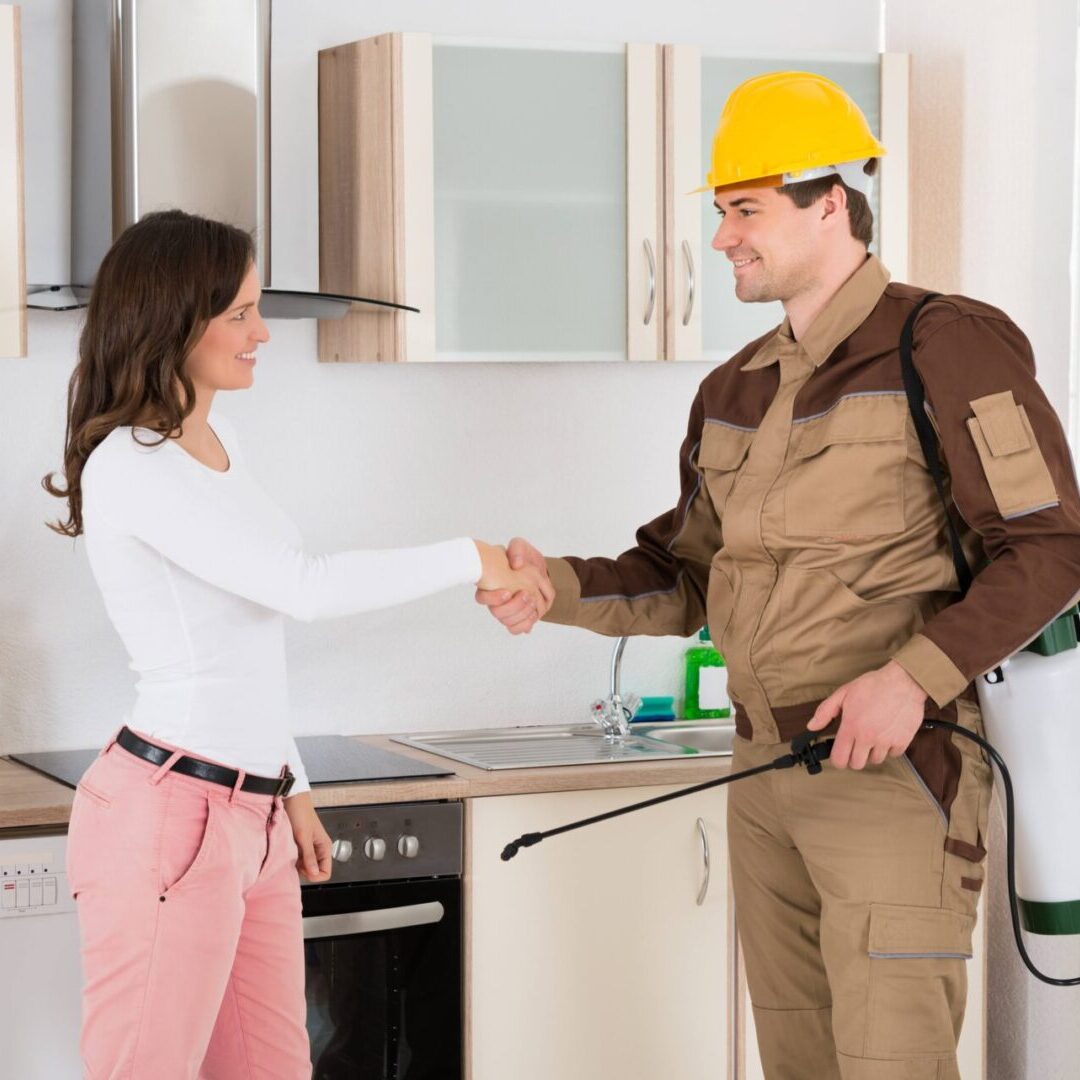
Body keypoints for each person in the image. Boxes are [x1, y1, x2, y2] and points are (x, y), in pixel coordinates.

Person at [478, 71, 1080, 1079]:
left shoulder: (947, 344)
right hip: (762, 779)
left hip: (893, 781)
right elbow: (685, 574)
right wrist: (560, 590)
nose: (722, 240)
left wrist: (912, 679)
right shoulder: (736, 386)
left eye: (744, 209)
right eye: (719, 214)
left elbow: (1051, 550)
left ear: (830, 201)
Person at [43, 209, 550, 1078]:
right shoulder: (129, 463)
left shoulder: (216, 442)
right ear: (174, 318)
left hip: (255, 814)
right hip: (170, 813)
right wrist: (467, 553)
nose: (262, 333)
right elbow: (299, 588)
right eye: (239, 312)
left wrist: (295, 789)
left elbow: (249, 637)